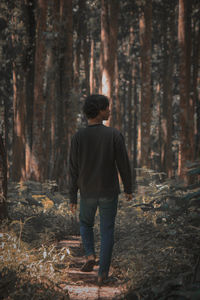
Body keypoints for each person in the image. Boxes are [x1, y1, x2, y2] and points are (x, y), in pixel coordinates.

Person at [69, 94, 132, 285]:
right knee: (107, 231)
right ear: (99, 111)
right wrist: (128, 188)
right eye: (107, 108)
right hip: (108, 192)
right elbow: (124, 165)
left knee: (85, 224)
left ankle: (89, 254)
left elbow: (73, 169)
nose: (110, 111)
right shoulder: (114, 135)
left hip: (86, 191)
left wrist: (72, 196)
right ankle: (103, 273)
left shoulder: (78, 137)